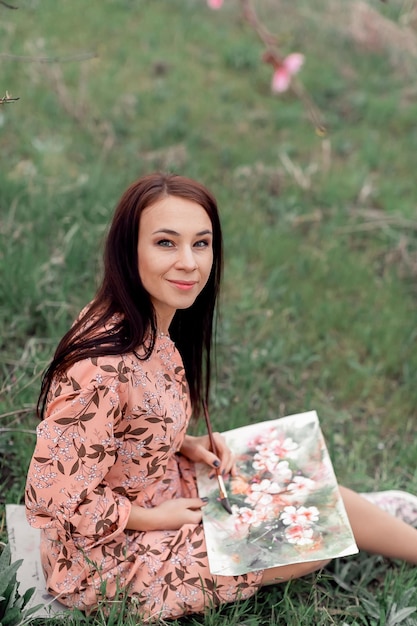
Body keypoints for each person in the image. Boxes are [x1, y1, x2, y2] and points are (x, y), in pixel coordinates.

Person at [25, 173, 417, 622]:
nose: (190, 263)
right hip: (104, 558)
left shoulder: (149, 325)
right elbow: (52, 497)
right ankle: (369, 515)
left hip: (154, 488)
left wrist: (182, 444)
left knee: (297, 481)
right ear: (128, 249)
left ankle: (371, 516)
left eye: (202, 243)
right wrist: (158, 519)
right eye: (166, 243)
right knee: (309, 540)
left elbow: (126, 427)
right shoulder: (99, 367)